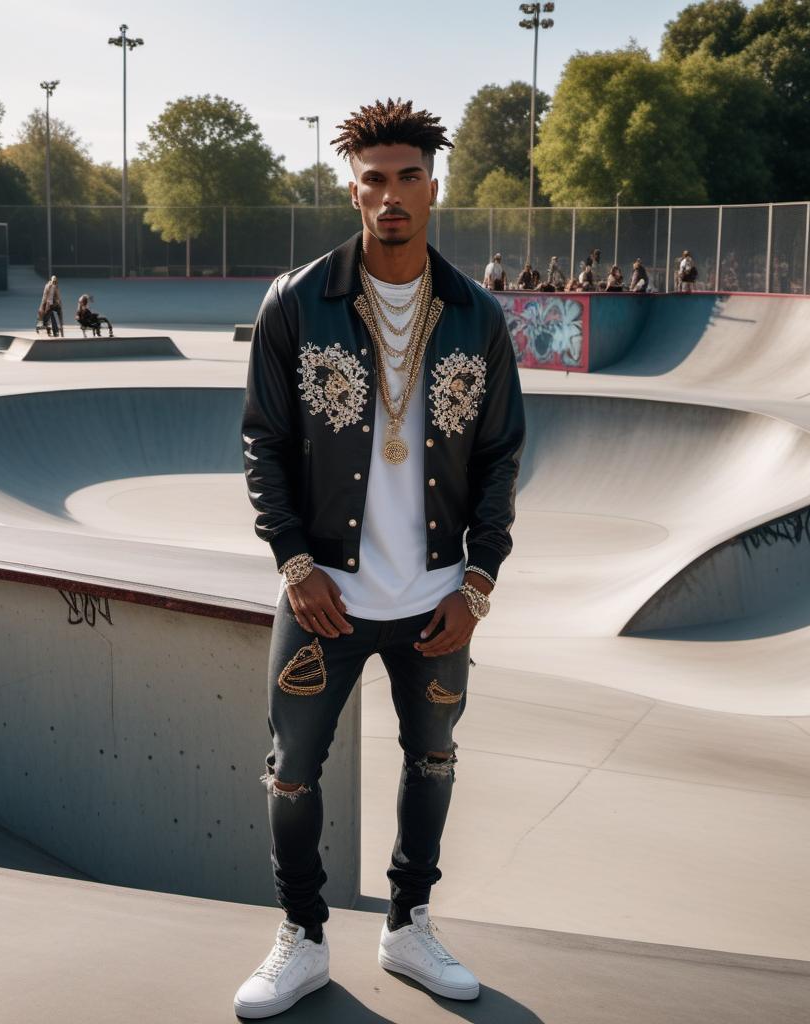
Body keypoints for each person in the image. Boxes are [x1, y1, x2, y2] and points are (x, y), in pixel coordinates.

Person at [237, 97, 525, 1019]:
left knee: (432, 761)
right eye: (375, 180)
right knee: (291, 768)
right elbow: (264, 445)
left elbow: (499, 455)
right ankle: (303, 936)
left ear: (432, 188)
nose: (391, 196)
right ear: (353, 189)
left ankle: (408, 923)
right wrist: (295, 564)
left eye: (408, 179)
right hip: (323, 591)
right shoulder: (295, 303)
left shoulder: (477, 316)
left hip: (438, 595)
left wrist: (478, 582)